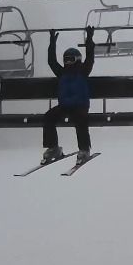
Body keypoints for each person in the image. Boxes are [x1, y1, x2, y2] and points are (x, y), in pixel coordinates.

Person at [42, 27, 96, 163]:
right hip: (65, 106)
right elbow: (51, 62)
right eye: (66, 60)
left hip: (80, 106)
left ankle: (84, 149)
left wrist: (89, 39)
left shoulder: (83, 70)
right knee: (48, 117)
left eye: (70, 59)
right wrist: (52, 44)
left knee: (81, 120)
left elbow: (90, 57)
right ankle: (53, 147)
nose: (67, 63)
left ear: (77, 59)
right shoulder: (62, 73)